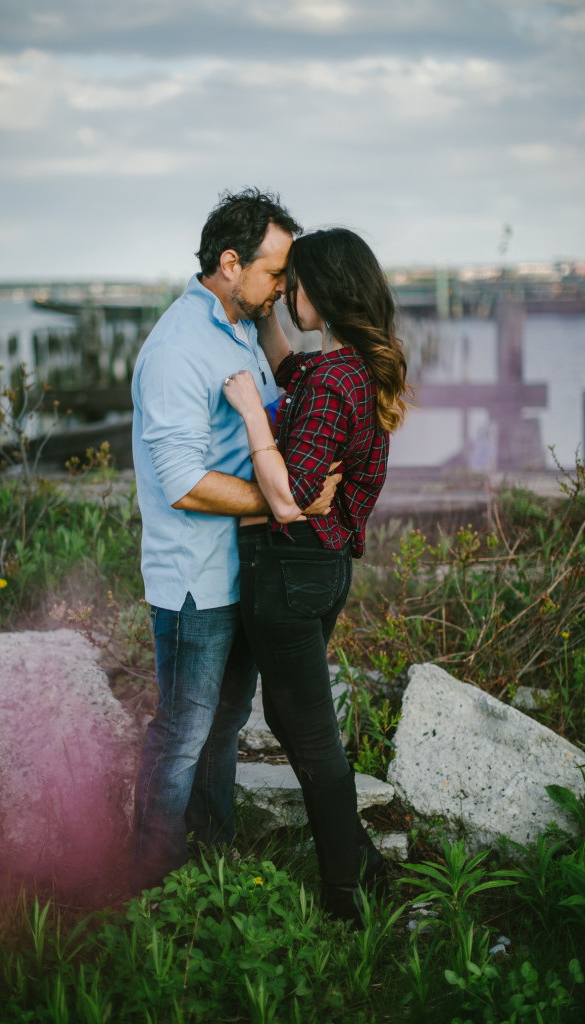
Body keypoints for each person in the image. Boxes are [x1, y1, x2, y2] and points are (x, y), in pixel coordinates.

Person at [129, 190, 340, 892]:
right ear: (229, 263)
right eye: (275, 273)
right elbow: (184, 482)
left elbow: (279, 398)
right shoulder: (177, 349)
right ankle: (153, 881)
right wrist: (286, 505)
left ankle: (208, 862)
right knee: (183, 735)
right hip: (193, 578)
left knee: (221, 729)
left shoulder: (239, 324)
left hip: (240, 571)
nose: (282, 287)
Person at [222, 227, 410, 923]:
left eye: (290, 282)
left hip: (289, 569)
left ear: (322, 292)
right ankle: (358, 859)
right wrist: (265, 312)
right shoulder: (353, 366)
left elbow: (293, 493)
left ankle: (344, 894)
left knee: (309, 734)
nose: (284, 291)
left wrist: (249, 414)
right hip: (324, 570)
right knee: (291, 717)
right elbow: (289, 369)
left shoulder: (334, 380)